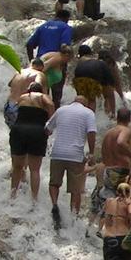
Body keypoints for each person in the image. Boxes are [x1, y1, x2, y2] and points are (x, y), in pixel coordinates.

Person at [45, 95, 96, 226]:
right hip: (75, 155)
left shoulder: (61, 110)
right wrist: (91, 152)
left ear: (73, 101)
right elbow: (91, 133)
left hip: (57, 153)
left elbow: (47, 130)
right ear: (84, 104)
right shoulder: (88, 113)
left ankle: (54, 204)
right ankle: (74, 218)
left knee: (54, 183)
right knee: (76, 190)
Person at [8, 83, 54, 202]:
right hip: (37, 132)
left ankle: (12, 196)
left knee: (17, 166)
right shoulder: (43, 96)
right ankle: (34, 199)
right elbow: (50, 104)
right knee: (34, 169)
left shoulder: (22, 97)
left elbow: (12, 108)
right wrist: (50, 119)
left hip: (18, 130)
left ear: (29, 89)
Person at [90, 108, 131, 221]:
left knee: (99, 200)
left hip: (106, 170)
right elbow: (120, 141)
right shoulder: (125, 130)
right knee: (114, 201)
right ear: (129, 119)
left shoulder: (108, 133)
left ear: (117, 118)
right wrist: (130, 153)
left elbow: (104, 153)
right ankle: (107, 228)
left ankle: (90, 229)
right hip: (118, 171)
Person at [26, 11, 73, 105]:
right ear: (67, 19)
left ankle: (42, 117)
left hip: (40, 63)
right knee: (56, 95)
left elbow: (29, 44)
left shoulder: (43, 26)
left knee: (41, 95)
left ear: (56, 16)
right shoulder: (66, 27)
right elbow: (64, 46)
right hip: (57, 63)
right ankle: (54, 115)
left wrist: (32, 60)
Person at [71, 45, 118, 118]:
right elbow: (110, 89)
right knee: (93, 100)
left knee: (83, 99)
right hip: (91, 78)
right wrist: (114, 112)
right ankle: (109, 116)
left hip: (78, 78)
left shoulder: (83, 61)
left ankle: (79, 117)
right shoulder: (103, 65)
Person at [4, 59, 48, 127]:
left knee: (13, 133)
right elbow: (37, 86)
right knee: (26, 134)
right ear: (40, 67)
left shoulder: (19, 71)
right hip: (22, 108)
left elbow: (9, 84)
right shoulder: (39, 74)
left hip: (9, 105)